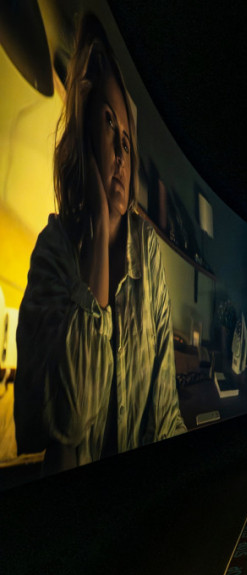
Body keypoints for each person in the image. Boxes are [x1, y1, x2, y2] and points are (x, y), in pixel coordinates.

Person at [14, 14, 186, 474]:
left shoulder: (147, 251)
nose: (122, 152)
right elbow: (69, 423)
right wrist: (96, 217)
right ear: (84, 130)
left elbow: (165, 414)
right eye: (108, 123)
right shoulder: (53, 251)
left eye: (127, 140)